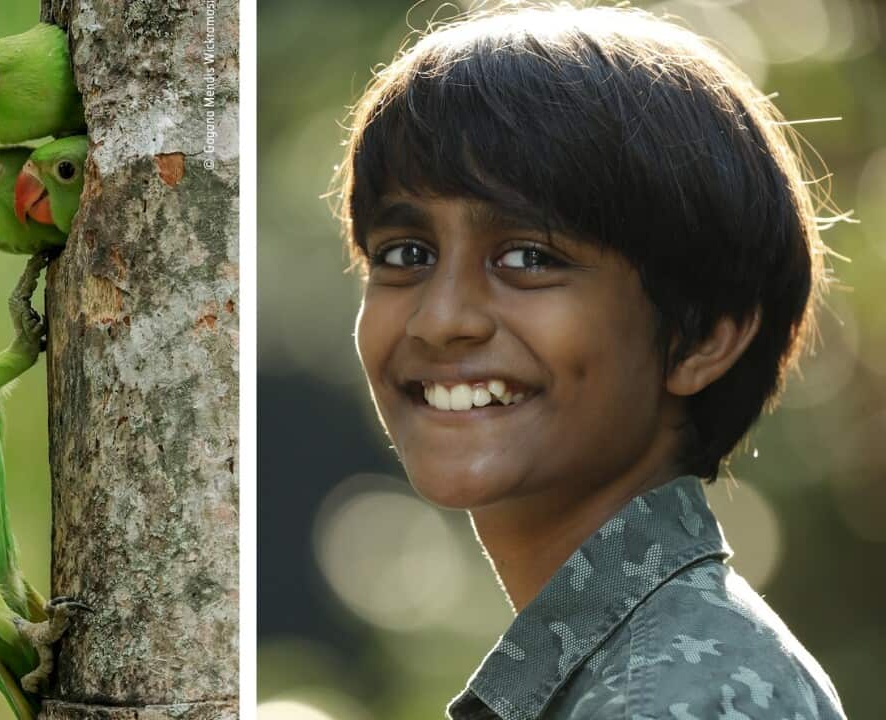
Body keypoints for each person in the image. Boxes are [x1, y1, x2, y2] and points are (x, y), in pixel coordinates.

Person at [334, 4, 848, 718]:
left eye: (529, 257)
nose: (442, 319)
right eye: (406, 255)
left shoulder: (671, 696)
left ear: (704, 336)